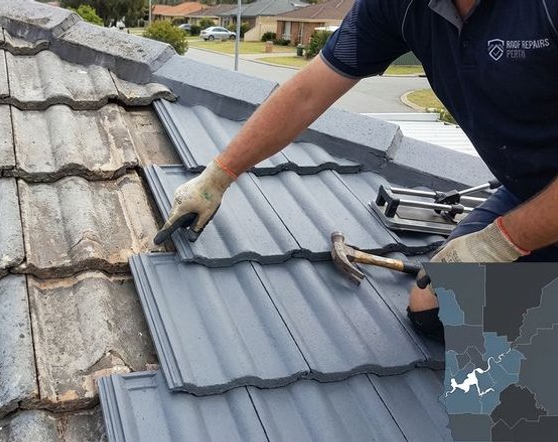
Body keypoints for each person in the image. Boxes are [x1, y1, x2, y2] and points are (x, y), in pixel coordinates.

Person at [155, 0, 558, 341]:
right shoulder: (402, 6)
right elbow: (307, 94)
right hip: (530, 191)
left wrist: (499, 242)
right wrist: (218, 176)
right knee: (432, 308)